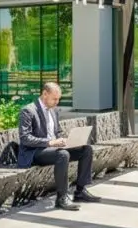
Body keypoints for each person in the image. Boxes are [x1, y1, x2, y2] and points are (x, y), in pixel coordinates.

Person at [18, 82, 99, 211]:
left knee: (86, 149)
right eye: (54, 99)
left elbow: (57, 132)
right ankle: (62, 198)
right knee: (63, 154)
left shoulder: (54, 111)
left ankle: (80, 191)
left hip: (52, 149)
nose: (57, 102)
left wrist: (66, 140)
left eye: (58, 99)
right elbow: (25, 138)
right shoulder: (28, 111)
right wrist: (49, 142)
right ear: (44, 94)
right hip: (34, 152)